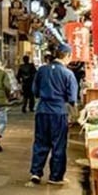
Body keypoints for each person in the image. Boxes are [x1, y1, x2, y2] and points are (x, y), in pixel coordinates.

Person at [29, 44, 78, 185]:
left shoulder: (42, 70)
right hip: (58, 112)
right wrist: (74, 114)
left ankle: (36, 172)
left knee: (40, 142)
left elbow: (35, 91)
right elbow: (72, 98)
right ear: (67, 55)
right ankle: (55, 176)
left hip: (42, 110)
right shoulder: (68, 74)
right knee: (58, 144)